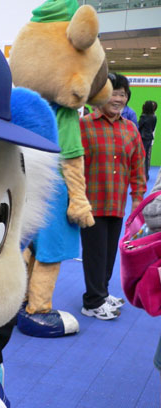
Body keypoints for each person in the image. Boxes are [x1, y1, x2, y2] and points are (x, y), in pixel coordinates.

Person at [79, 72, 146, 321]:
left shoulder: (130, 129)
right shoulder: (84, 125)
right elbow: (72, 164)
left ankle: (102, 292)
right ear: (100, 95)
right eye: (113, 93)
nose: (118, 99)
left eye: (123, 94)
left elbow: (138, 165)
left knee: (108, 254)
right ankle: (92, 302)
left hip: (117, 202)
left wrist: (137, 198)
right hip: (91, 202)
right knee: (95, 254)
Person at [138, 100, 158, 181]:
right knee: (146, 157)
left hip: (143, 138)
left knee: (141, 156)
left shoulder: (143, 117)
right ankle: (146, 175)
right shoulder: (154, 117)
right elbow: (153, 128)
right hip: (149, 138)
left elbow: (138, 126)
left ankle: (140, 175)